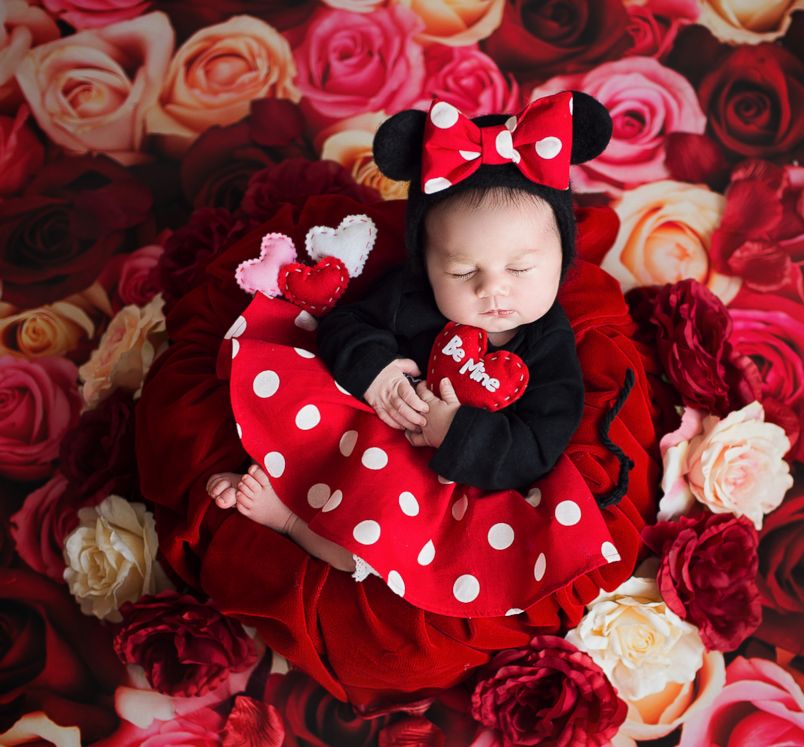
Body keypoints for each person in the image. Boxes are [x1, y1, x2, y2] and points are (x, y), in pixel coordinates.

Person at [205, 91, 619, 617]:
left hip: (438, 480)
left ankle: (290, 521)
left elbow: (541, 444)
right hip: (365, 426)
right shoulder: (410, 296)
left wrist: (458, 433)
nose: (494, 290)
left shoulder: (549, 343)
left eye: (520, 270)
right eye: (464, 272)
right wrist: (375, 371)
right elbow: (347, 325)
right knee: (304, 403)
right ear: (425, 264)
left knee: (379, 537)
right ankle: (262, 465)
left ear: (562, 259)